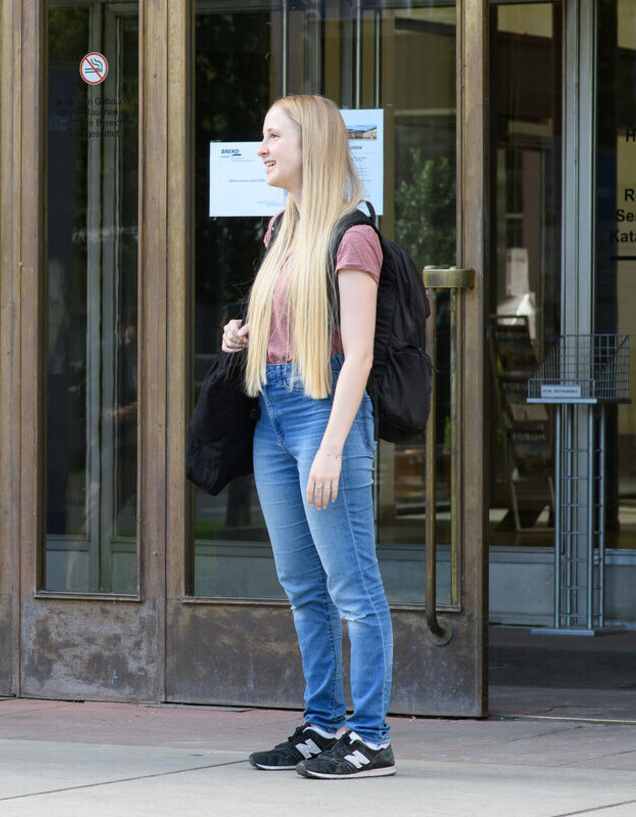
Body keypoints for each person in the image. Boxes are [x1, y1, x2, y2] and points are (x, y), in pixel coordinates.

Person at [220, 94, 396, 779]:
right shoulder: (280, 229)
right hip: (275, 413)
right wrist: (242, 334)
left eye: (272, 136)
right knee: (303, 583)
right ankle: (322, 723)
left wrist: (330, 445)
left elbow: (359, 353)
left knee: (353, 583)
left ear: (312, 146)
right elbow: (284, 323)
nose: (260, 148)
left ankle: (371, 735)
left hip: (327, 413)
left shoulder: (352, 237)